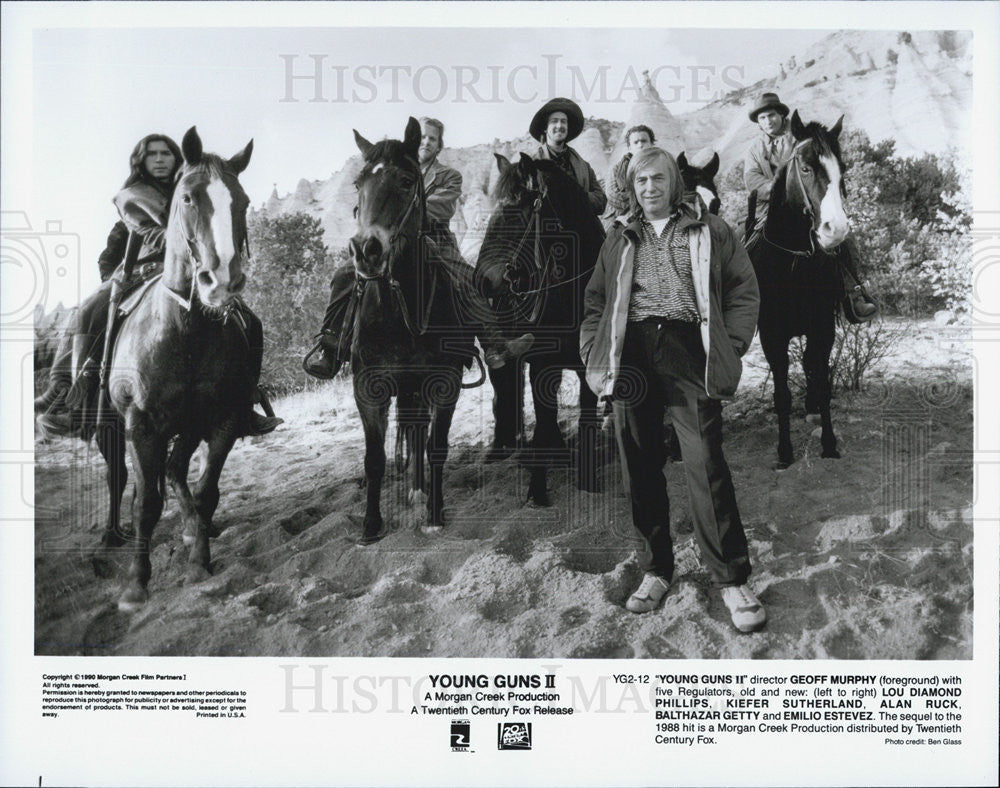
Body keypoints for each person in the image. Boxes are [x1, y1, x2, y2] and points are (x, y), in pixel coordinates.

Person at [580, 146, 766, 633]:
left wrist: (731, 344)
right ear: (633, 188)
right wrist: (592, 352)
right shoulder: (619, 237)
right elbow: (597, 301)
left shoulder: (711, 230)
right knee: (638, 463)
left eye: (658, 180)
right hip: (633, 355)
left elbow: (744, 289)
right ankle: (656, 568)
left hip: (689, 351)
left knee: (705, 462)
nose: (649, 189)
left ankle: (730, 577)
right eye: (641, 182)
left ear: (674, 184)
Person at [37, 134, 281, 437]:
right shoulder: (132, 196)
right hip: (140, 272)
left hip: (193, 271)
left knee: (250, 322)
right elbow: (128, 243)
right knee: (88, 311)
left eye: (166, 153)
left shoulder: (198, 185)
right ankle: (74, 404)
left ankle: (244, 405)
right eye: (152, 154)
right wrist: (118, 276)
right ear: (141, 161)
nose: (160, 159)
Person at [304, 117, 532, 379]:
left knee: (468, 279)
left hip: (434, 239)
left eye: (432, 139)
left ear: (439, 146)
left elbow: (443, 207)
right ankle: (330, 345)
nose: (426, 142)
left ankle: (494, 345)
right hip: (392, 238)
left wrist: (406, 206)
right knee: (344, 273)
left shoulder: (450, 176)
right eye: (422, 137)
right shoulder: (389, 169)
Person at [744, 92, 877, 321]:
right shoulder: (754, 149)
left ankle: (854, 293)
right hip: (770, 207)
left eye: (772, 116)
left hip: (808, 206)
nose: (768, 121)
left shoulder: (800, 138)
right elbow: (751, 179)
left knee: (841, 239)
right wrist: (776, 190)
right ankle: (741, 301)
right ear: (758, 122)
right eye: (763, 118)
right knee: (741, 242)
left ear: (782, 115)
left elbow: (819, 166)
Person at [530, 97, 607, 216]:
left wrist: (576, 196)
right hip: (547, 230)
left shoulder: (583, 166)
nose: (559, 125)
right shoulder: (532, 165)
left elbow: (601, 201)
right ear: (545, 128)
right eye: (554, 121)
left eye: (563, 121)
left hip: (581, 230)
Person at [604, 124, 656, 224]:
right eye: (636, 142)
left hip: (653, 214)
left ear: (651, 144)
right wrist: (638, 207)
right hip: (618, 215)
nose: (640, 145)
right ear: (630, 147)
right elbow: (612, 195)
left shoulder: (661, 167)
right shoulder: (616, 169)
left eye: (644, 141)